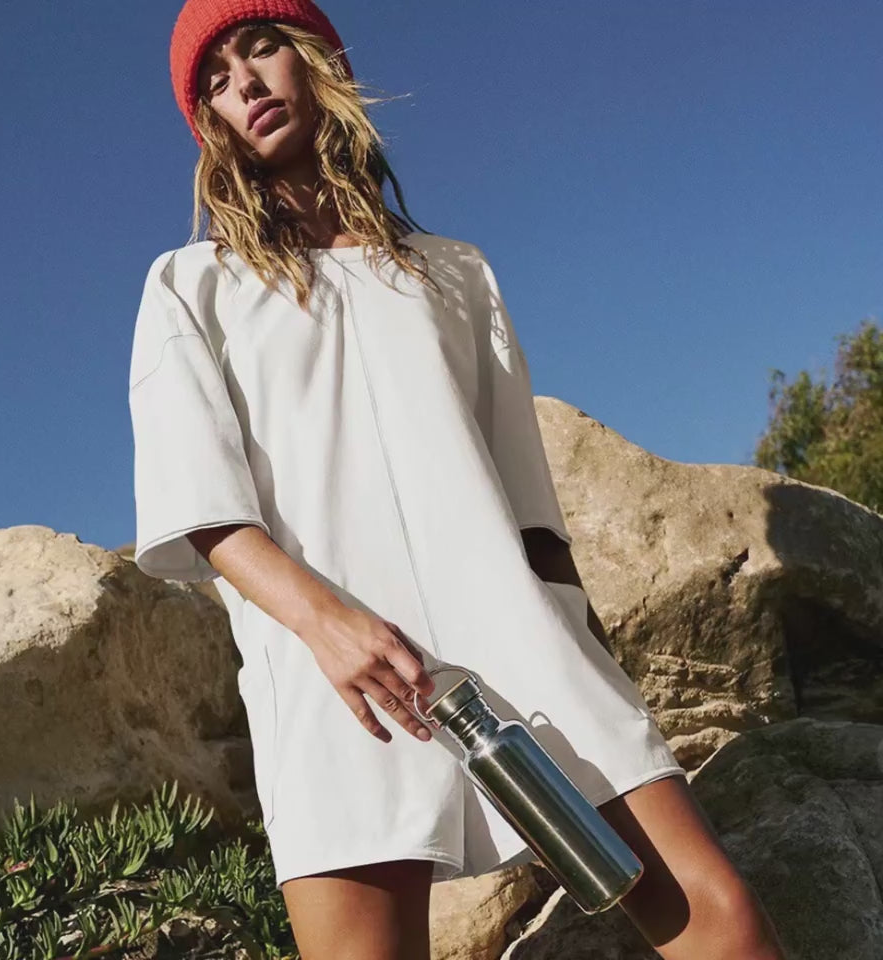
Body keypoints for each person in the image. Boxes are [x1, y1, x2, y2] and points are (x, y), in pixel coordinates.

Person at [127, 2, 789, 958]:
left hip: (519, 641)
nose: (247, 83)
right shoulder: (191, 285)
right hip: (333, 673)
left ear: (315, 59)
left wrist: (589, 654)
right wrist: (328, 626)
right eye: (218, 79)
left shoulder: (455, 272)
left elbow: (530, 505)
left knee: (717, 918)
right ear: (210, 122)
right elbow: (200, 503)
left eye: (261, 48)